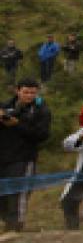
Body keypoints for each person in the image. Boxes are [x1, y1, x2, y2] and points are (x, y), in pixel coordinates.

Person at [0, 79, 51, 232]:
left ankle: (16, 225)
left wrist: (17, 124)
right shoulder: (5, 106)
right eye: (26, 92)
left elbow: (42, 135)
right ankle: (7, 222)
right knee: (3, 193)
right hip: (3, 155)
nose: (29, 95)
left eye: (33, 93)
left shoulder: (41, 110)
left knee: (18, 192)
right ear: (18, 91)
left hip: (24, 157)